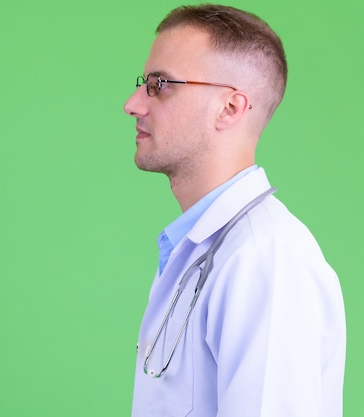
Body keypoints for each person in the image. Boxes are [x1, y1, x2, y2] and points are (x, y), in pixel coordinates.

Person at [123, 4, 346, 417]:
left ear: (230, 108)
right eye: (143, 83)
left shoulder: (266, 258)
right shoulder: (196, 250)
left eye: (161, 84)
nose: (133, 103)